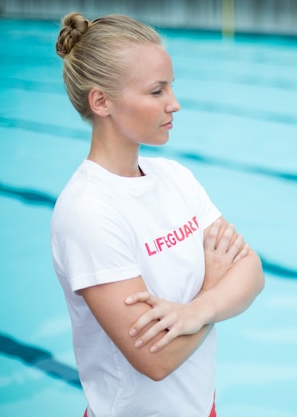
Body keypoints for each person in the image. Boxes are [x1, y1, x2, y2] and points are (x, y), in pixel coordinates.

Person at [50, 12, 265, 417]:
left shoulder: (174, 177)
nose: (175, 103)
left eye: (171, 87)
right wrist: (215, 287)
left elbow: (252, 273)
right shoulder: (88, 211)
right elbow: (155, 360)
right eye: (156, 91)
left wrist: (194, 311)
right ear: (101, 101)